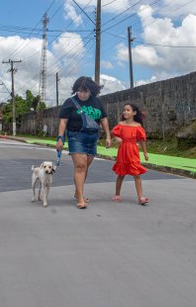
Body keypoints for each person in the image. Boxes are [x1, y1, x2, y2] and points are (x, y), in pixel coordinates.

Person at [54, 76, 112, 209]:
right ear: (76, 90)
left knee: (85, 167)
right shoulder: (70, 102)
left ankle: (77, 192)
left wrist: (108, 136)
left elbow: (103, 119)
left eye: (85, 91)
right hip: (76, 137)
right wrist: (60, 138)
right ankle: (80, 198)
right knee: (80, 166)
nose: (82, 94)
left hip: (93, 138)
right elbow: (63, 121)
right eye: (80, 91)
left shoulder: (97, 102)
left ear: (91, 91)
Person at [111, 103, 150, 205]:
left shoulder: (138, 126)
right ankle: (117, 194)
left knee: (136, 174)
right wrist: (117, 138)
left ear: (134, 113)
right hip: (123, 150)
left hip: (133, 151)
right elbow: (115, 134)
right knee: (121, 174)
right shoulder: (121, 124)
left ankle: (141, 197)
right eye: (124, 110)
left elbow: (142, 140)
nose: (125, 112)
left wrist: (145, 153)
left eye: (128, 110)